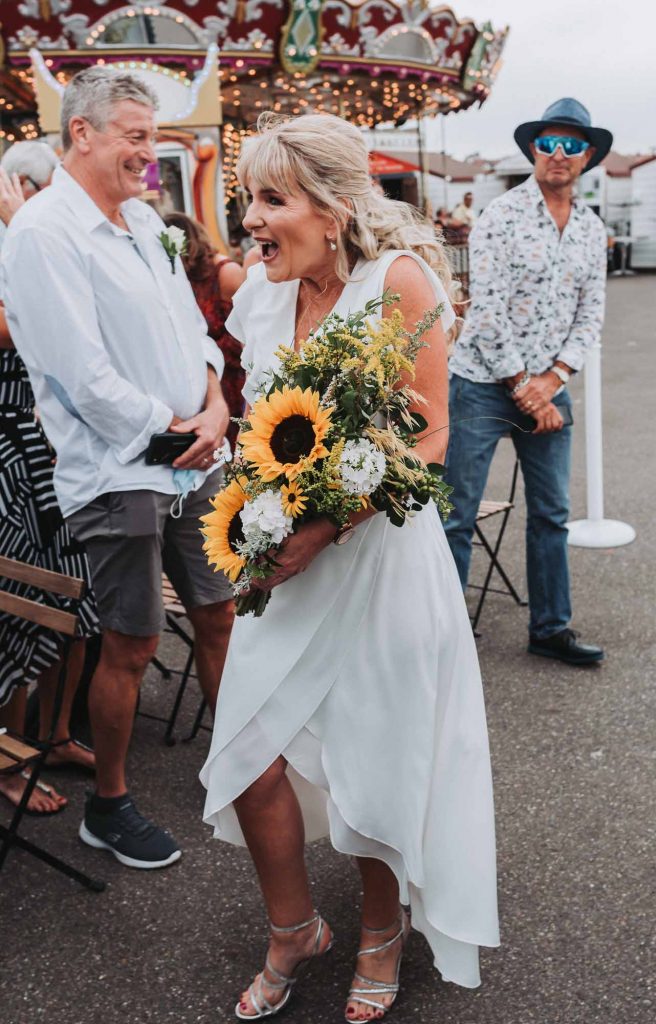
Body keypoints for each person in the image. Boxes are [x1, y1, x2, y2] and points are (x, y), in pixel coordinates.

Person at [200, 112, 498, 1022]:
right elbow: (263, 421)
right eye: (247, 197)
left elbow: (433, 432)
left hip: (380, 564)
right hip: (283, 567)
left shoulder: (398, 283)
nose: (252, 220)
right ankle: (294, 928)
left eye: (270, 199)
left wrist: (324, 527)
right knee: (247, 753)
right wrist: (258, 508)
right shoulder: (261, 294)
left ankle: (380, 929)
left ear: (332, 209)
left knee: (376, 758)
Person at [1, 67, 234, 868]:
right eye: (137, 135)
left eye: (154, 135)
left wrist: (215, 402)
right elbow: (79, 374)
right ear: (84, 135)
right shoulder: (41, 234)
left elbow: (192, 330)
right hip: (118, 472)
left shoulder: (145, 221)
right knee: (130, 643)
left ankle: (239, 765)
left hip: (193, 453)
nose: (151, 151)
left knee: (218, 610)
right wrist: (177, 435)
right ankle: (111, 804)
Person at [444, 98, 612, 666]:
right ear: (533, 150)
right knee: (456, 515)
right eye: (548, 143)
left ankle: (550, 629)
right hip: (482, 383)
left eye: (571, 145)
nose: (558, 154)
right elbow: (485, 312)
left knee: (551, 514)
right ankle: (442, 642)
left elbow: (591, 314)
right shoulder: (500, 216)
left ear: (587, 156)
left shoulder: (592, 230)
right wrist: (524, 386)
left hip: (549, 387)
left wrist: (554, 379)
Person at [0, 154, 99, 816]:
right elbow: (29, 330)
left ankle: (57, 730)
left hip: (57, 448)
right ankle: (8, 753)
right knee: (17, 604)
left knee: (80, 598)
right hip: (8, 456)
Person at [162, 211, 246, 452]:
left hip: (232, 376)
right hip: (201, 378)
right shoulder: (177, 277)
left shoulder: (226, 274)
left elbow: (248, 333)